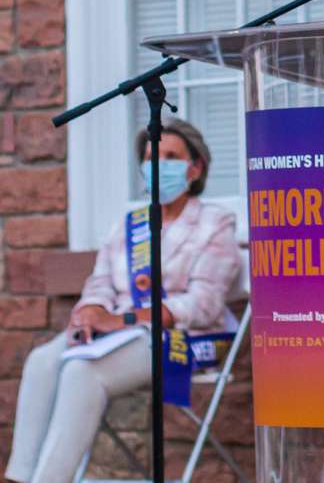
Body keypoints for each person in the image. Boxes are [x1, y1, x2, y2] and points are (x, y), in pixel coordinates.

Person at [6, 119, 241, 483]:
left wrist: (125, 320)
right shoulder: (129, 224)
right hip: (118, 336)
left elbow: (204, 305)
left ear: (195, 168)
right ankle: (19, 478)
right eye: (150, 158)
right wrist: (91, 311)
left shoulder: (215, 224)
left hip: (182, 338)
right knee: (41, 360)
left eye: (170, 157)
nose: (158, 166)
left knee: (80, 372)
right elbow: (100, 283)